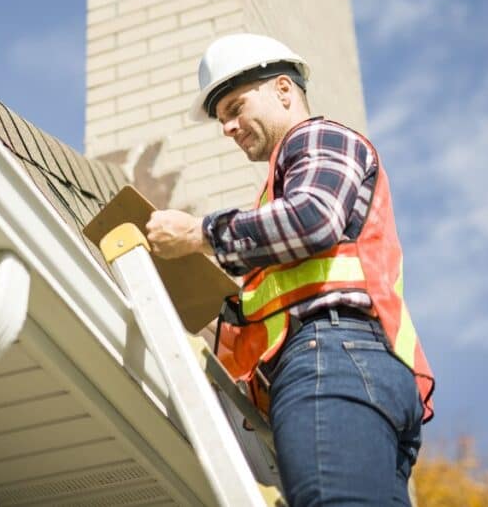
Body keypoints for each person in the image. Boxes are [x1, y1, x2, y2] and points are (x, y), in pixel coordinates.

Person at [146, 33, 434, 506]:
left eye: (235, 107)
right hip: (357, 368)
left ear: (283, 89)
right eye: (222, 119)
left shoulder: (318, 137)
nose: (228, 128)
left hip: (333, 358)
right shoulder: (277, 190)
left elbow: (313, 219)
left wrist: (200, 234)